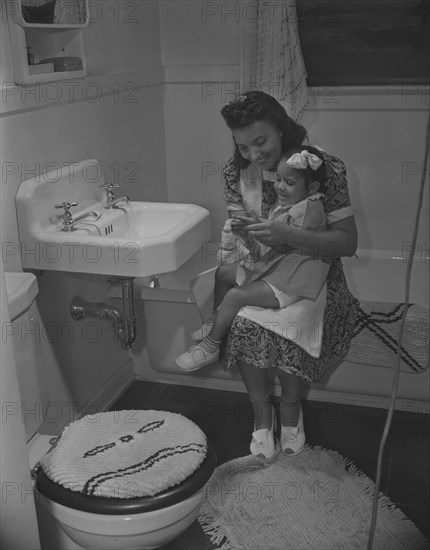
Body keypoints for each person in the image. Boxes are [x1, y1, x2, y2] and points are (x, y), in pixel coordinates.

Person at [202, 91, 359, 461]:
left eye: (261, 142)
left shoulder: (322, 168)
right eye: (243, 146)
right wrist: (247, 244)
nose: (254, 155)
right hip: (258, 269)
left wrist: (288, 235)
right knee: (238, 319)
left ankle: (290, 407)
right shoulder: (236, 172)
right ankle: (261, 411)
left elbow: (347, 243)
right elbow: (240, 233)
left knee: (289, 326)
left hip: (314, 275)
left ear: (283, 130)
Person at [174, 146, 330, 376]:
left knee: (235, 295)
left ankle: (210, 346)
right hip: (279, 267)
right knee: (224, 272)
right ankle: (216, 318)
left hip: (292, 281)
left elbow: (283, 243)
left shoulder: (309, 210)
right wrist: (251, 225)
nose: (280, 187)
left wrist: (254, 229)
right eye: (278, 179)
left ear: (312, 188)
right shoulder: (290, 205)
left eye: (289, 182)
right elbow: (274, 238)